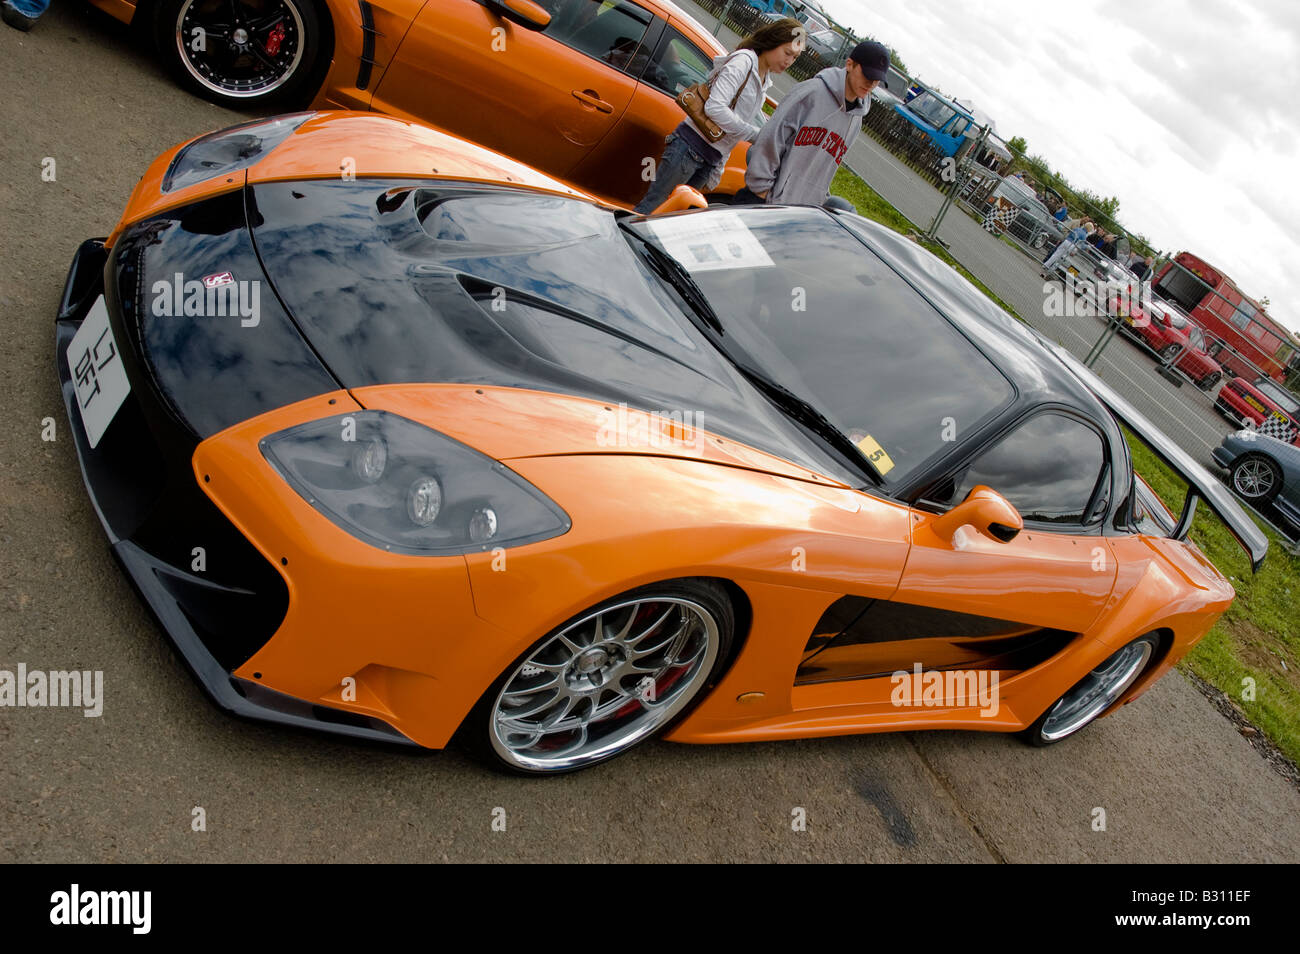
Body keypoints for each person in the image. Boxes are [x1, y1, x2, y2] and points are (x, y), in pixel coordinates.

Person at [633, 18, 804, 214]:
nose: (789, 61)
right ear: (772, 42)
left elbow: (733, 128)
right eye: (787, 53)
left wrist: (718, 166)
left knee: (668, 217)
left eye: (795, 58)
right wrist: (754, 134)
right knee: (650, 210)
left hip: (708, 158)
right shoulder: (744, 62)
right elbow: (714, 107)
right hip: (689, 148)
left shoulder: (764, 80)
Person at [738, 40, 891, 207]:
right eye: (867, 75)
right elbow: (771, 138)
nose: (871, 84)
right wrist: (762, 190)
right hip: (763, 200)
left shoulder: (856, 119)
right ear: (850, 64)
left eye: (877, 80)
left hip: (800, 212)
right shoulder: (811, 92)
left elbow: (826, 168)